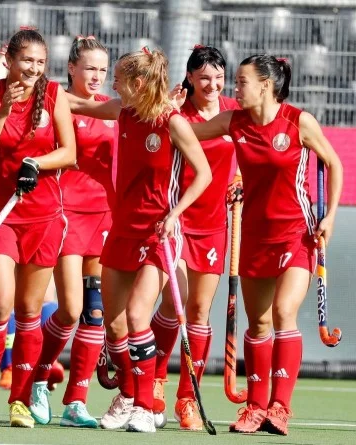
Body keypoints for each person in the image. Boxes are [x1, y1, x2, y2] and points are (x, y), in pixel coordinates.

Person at [190, 54, 342, 436]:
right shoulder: (233, 121)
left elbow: (334, 163)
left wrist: (330, 216)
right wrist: (170, 109)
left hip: (296, 233)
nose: (234, 88)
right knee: (257, 323)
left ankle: (280, 408)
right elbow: (189, 133)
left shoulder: (298, 121)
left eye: (241, 81)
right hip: (254, 235)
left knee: (283, 312)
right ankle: (255, 408)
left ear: (265, 85)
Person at [69, 48, 211, 433]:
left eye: (117, 79)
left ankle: (146, 407)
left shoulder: (172, 121)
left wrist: (175, 214)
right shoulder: (123, 111)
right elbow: (78, 103)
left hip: (159, 231)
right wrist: (36, 90)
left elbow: (203, 173)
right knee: (114, 326)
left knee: (136, 316)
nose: (112, 85)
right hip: (123, 230)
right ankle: (129, 395)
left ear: (138, 83)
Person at [0, 28, 76, 428]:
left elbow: (69, 152)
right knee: (0, 304)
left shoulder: (54, 95)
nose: (33, 69)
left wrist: (35, 163)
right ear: (8, 59)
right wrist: (3, 114)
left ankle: (21, 399)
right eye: (27, 60)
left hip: (42, 216)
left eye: (40, 62)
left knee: (30, 311)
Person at [149, 44, 240, 430]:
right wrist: (164, 112)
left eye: (218, 78)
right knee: (175, 303)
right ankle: (154, 379)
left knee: (201, 311)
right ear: (189, 77)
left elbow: (250, 151)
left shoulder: (233, 111)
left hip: (214, 224)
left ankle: (188, 398)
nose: (212, 85)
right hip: (178, 220)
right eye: (204, 78)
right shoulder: (176, 112)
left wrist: (240, 179)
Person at [29, 35, 115, 429]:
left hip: (103, 216)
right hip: (66, 214)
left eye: (102, 69)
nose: (96, 76)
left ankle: (76, 402)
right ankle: (37, 379)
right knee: (69, 310)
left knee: (95, 312)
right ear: (71, 69)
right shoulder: (55, 103)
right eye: (89, 68)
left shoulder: (110, 107)